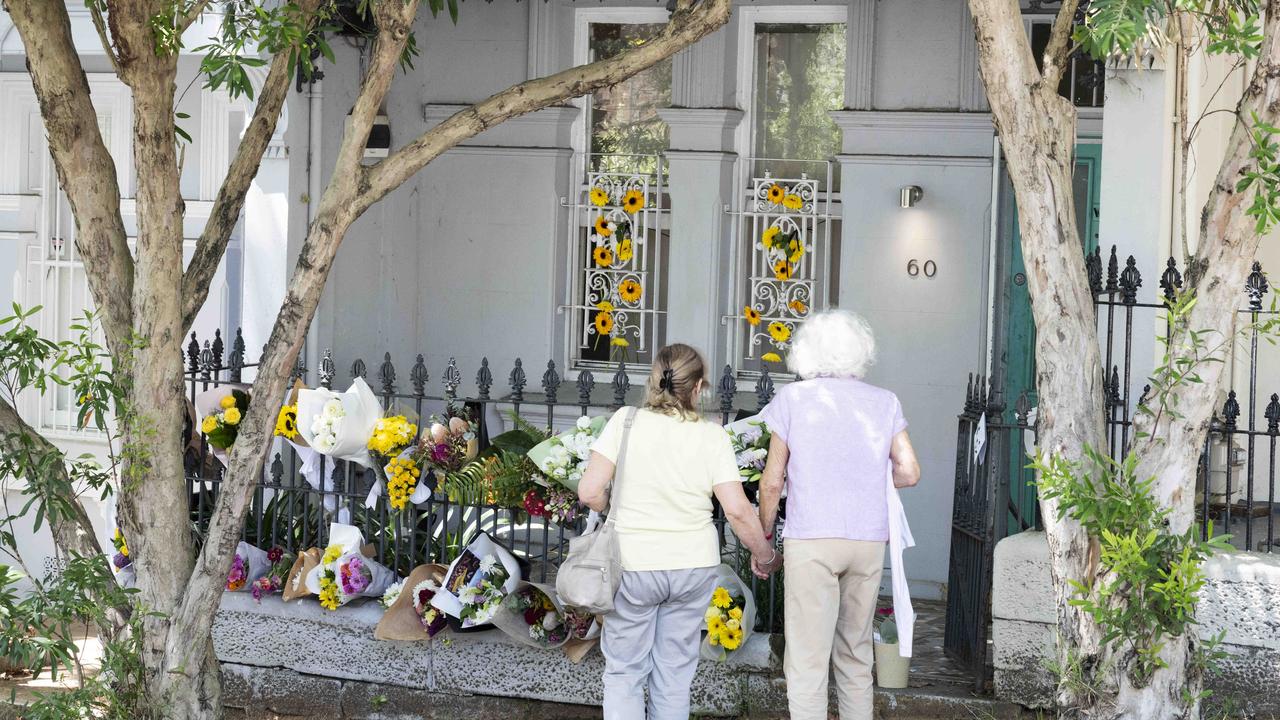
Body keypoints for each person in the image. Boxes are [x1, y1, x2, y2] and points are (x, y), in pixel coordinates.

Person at [578, 343, 780, 720]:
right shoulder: (713, 435)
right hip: (693, 567)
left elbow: (589, 491)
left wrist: (613, 508)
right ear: (700, 388)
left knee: (624, 673)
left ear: (654, 379)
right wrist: (765, 555)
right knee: (673, 675)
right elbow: (736, 509)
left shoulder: (625, 422)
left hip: (633, 564)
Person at [755, 310, 920, 720]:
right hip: (866, 540)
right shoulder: (885, 402)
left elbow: (772, 483)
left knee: (808, 659)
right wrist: (867, 483)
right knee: (855, 653)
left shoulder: (794, 399)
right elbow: (909, 471)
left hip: (812, 538)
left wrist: (764, 541)